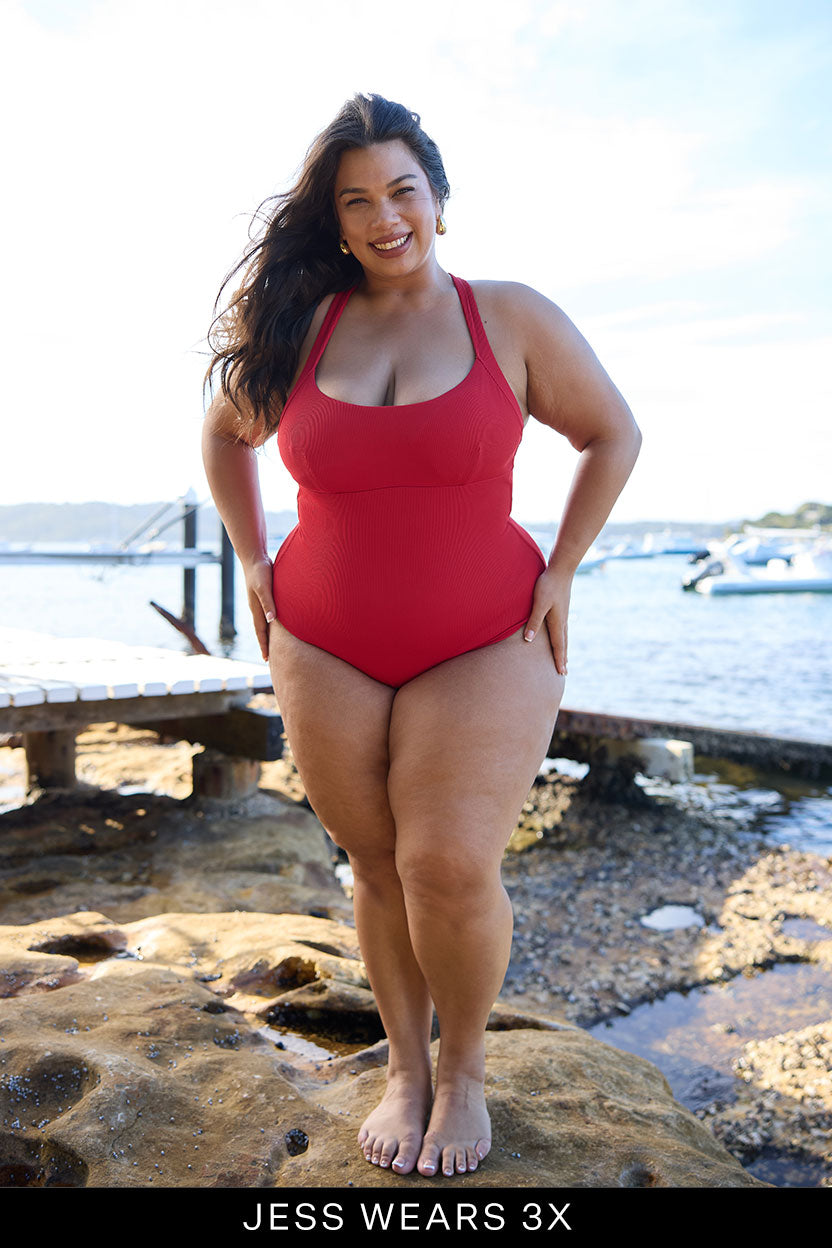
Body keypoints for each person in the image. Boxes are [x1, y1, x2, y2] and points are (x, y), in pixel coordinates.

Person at [202, 93, 642, 1180]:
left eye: (402, 190)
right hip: (323, 638)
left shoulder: (511, 317)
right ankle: (405, 1068)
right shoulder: (303, 325)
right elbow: (223, 434)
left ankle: (467, 1072)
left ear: (438, 198)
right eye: (356, 200)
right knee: (378, 866)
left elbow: (610, 434)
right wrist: (254, 559)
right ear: (336, 220)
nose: (383, 215)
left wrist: (564, 567)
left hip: (486, 634)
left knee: (447, 864)